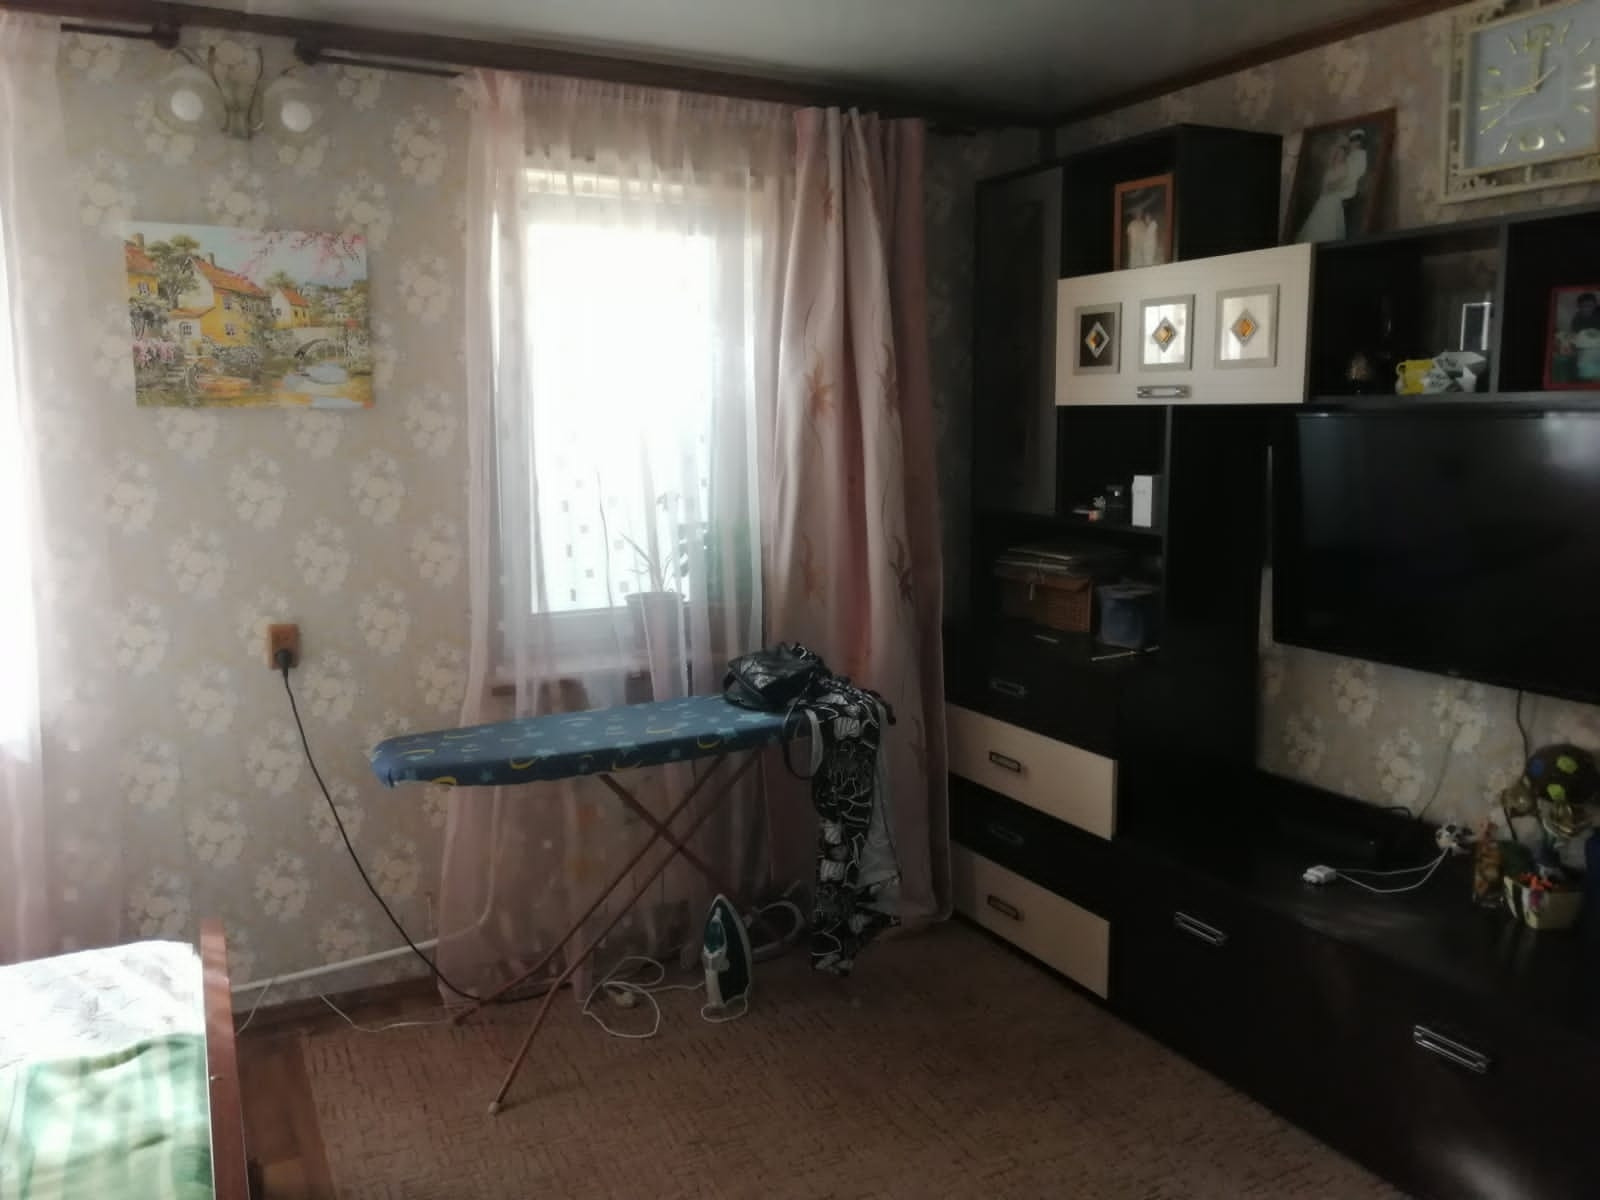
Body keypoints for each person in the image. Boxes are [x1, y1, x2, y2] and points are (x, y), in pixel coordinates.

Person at [1295, 130, 1369, 243]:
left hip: (1333, 201)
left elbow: (1339, 184)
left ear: (1344, 155)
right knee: (1316, 224)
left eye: (1342, 154)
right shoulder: (1330, 169)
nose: (1339, 156)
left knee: (1329, 224)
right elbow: (1324, 187)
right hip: (1324, 200)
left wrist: (1331, 187)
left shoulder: (1345, 167)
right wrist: (1328, 187)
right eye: (1337, 154)